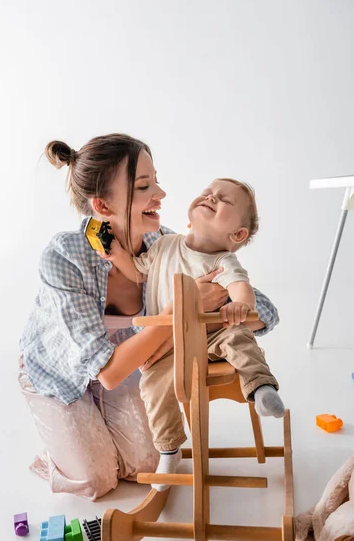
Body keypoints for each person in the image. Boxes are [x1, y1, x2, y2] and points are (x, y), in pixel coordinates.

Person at [18, 133, 279, 500]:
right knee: (96, 480)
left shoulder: (166, 244)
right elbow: (108, 373)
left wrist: (217, 304)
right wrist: (183, 308)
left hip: (135, 362)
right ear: (103, 207)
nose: (161, 194)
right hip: (64, 373)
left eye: (156, 180)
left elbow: (263, 311)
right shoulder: (64, 257)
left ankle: (98, 438)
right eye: (144, 186)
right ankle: (64, 449)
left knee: (145, 463)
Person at [97, 177, 285, 491]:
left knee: (238, 337)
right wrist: (118, 257)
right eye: (206, 192)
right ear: (188, 218)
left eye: (223, 199)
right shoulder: (164, 244)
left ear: (236, 235)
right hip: (168, 346)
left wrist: (239, 305)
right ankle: (169, 449)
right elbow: (138, 271)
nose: (210, 196)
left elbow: (241, 288)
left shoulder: (223, 261)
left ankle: (261, 388)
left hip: (211, 335)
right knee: (153, 387)